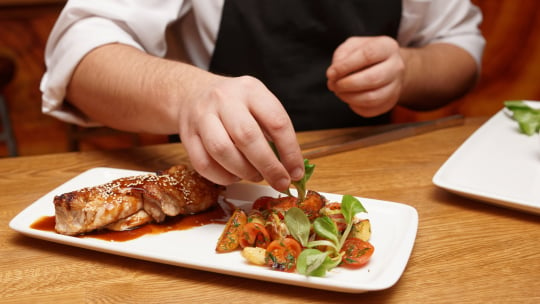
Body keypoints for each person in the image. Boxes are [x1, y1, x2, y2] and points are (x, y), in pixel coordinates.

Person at [40, 0, 485, 192]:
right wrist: (191, 93)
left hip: (380, 176)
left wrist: (410, 69)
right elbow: (79, 57)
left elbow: (461, 46)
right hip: (218, 186)